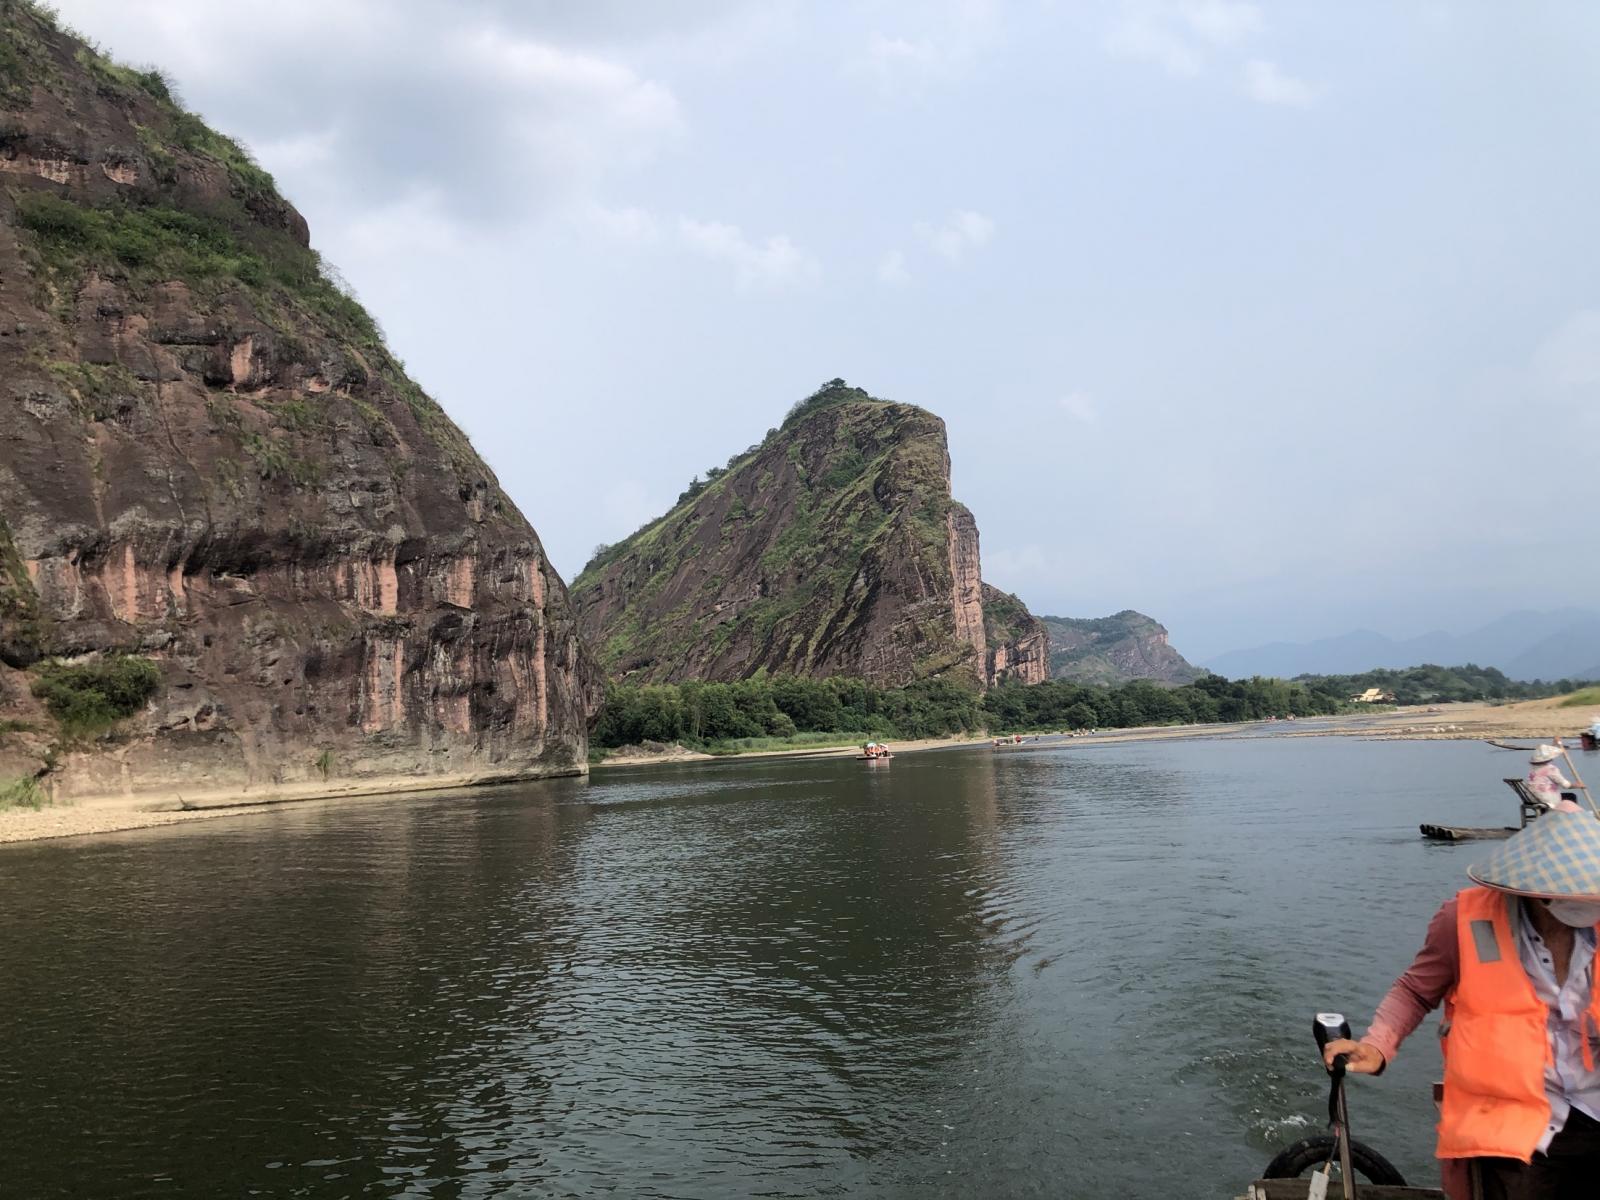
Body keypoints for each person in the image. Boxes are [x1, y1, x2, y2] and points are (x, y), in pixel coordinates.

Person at [1320, 811, 1600, 1199]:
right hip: (1512, 1122)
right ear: (1536, 888)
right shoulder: (1465, 920)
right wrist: (1377, 1045)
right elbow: (1414, 991)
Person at [1528, 745, 1580, 813]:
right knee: (1571, 796)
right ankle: (1572, 817)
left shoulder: (1533, 769)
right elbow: (1565, 785)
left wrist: (1558, 745)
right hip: (1547, 801)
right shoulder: (1550, 769)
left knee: (1567, 796)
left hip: (1533, 799)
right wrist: (1578, 785)